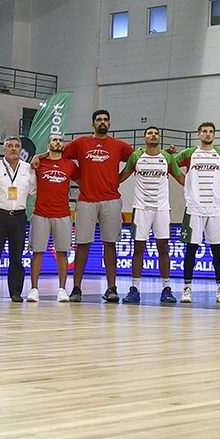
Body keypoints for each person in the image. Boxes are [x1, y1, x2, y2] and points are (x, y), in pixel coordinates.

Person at [62, 109, 136, 303]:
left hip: (111, 199)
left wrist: (120, 178)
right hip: (86, 200)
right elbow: (61, 155)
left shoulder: (119, 145)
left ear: (109, 123)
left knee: (110, 244)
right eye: (98, 119)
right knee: (83, 245)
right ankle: (76, 288)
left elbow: (137, 160)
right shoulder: (80, 143)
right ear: (93, 123)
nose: (102, 122)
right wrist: (77, 175)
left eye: (105, 119)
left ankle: (112, 288)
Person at [173, 122, 220, 303]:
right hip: (194, 209)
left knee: (217, 250)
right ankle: (187, 288)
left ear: (214, 135)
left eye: (211, 131)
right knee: (191, 249)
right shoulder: (189, 153)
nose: (207, 134)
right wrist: (184, 181)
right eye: (204, 131)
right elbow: (169, 163)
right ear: (198, 134)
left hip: (215, 209)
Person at [120, 126, 181, 303]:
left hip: (162, 208)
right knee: (138, 248)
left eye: (156, 133)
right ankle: (134, 288)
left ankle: (166, 288)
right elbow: (122, 176)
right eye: (150, 133)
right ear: (144, 137)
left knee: (163, 248)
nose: (153, 135)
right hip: (141, 208)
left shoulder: (167, 157)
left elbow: (181, 178)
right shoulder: (136, 156)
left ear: (159, 138)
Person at [0, 137, 36, 303]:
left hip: (18, 217)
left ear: (21, 149)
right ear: (4, 149)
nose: (14, 149)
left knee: (17, 257)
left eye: (17, 146)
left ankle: (16, 292)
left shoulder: (28, 168)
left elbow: (34, 190)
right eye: (10, 146)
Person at [30, 134, 78, 303]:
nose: (57, 142)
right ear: (49, 143)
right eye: (54, 140)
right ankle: (34, 289)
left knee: (62, 252)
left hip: (63, 214)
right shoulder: (38, 163)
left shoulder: (70, 165)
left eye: (60, 140)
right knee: (37, 252)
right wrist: (38, 156)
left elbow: (83, 181)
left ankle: (62, 289)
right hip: (41, 213)